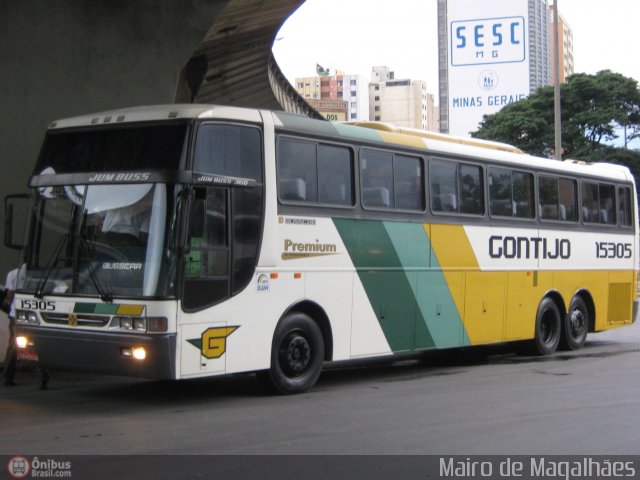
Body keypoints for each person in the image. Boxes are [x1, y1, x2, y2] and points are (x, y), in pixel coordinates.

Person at [2, 268, 49, 389]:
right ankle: (42, 377)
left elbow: (10, 295)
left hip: (16, 315)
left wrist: (11, 306)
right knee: (35, 345)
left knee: (13, 346)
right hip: (35, 315)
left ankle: (8, 377)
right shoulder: (42, 272)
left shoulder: (13, 273)